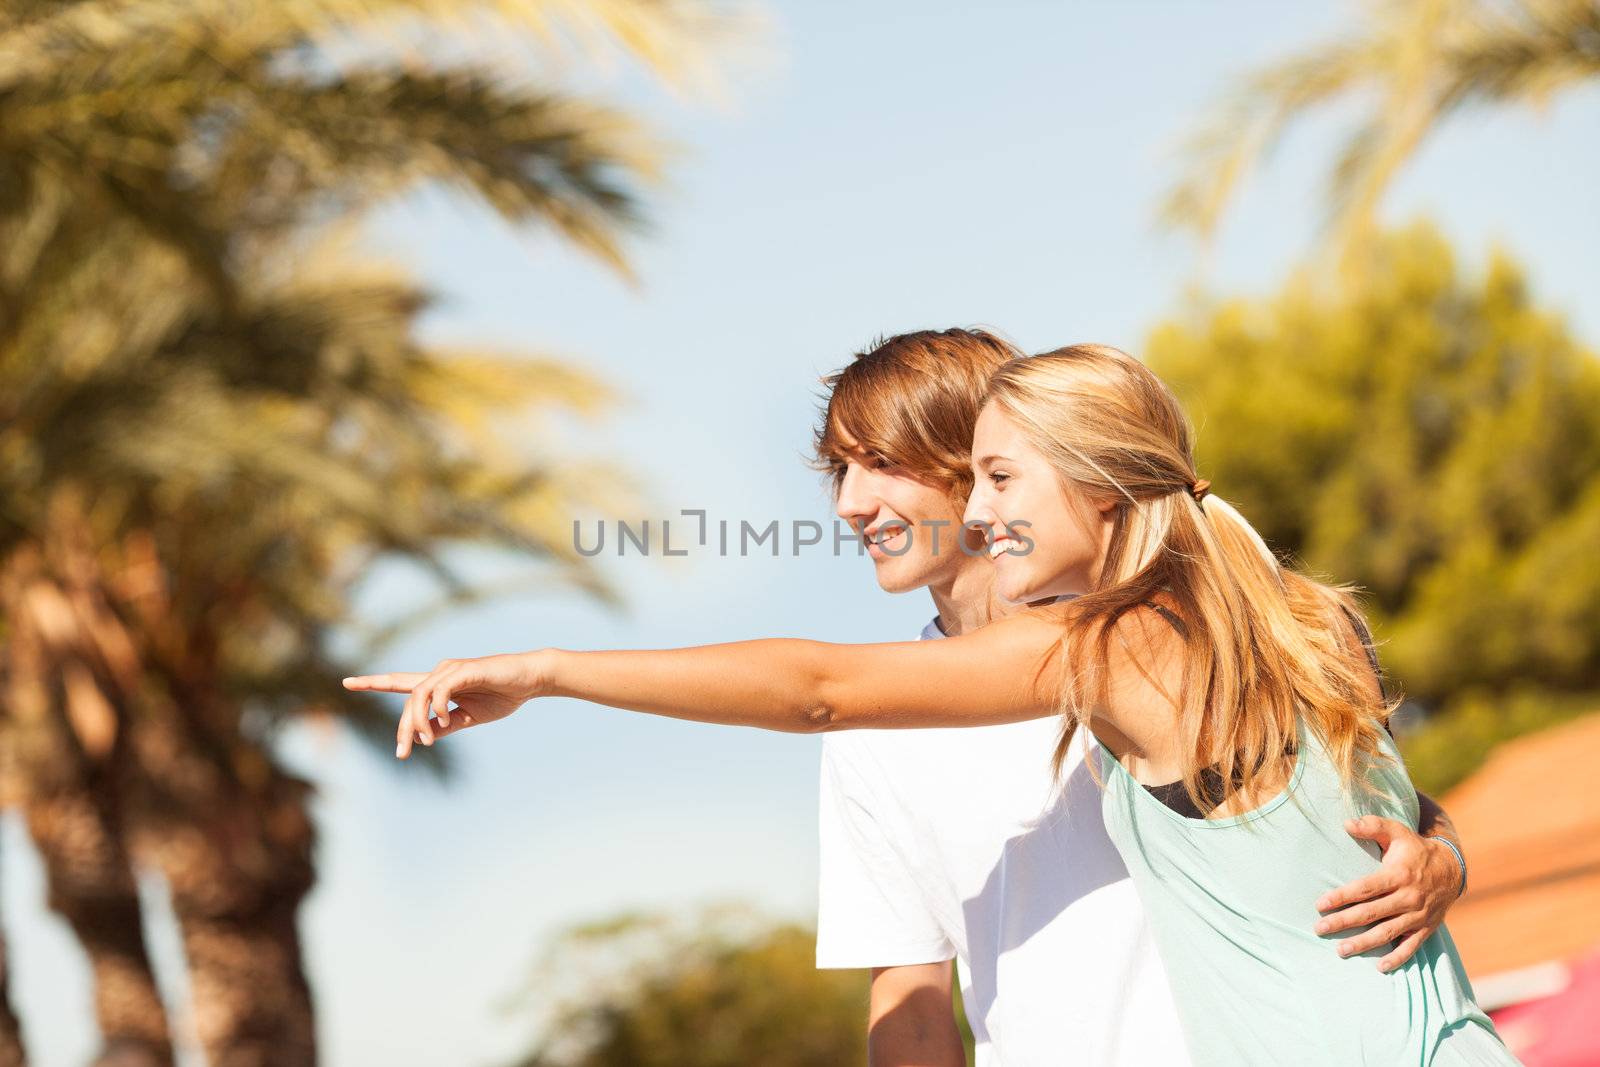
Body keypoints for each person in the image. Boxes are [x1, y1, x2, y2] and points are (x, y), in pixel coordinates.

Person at [347, 343, 1513, 1064]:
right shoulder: (1300, 613)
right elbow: (1394, 814)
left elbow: (820, 688)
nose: (850, 504)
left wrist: (550, 668)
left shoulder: (1112, 646)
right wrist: (1443, 861)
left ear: (1098, 481)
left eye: (1005, 476)